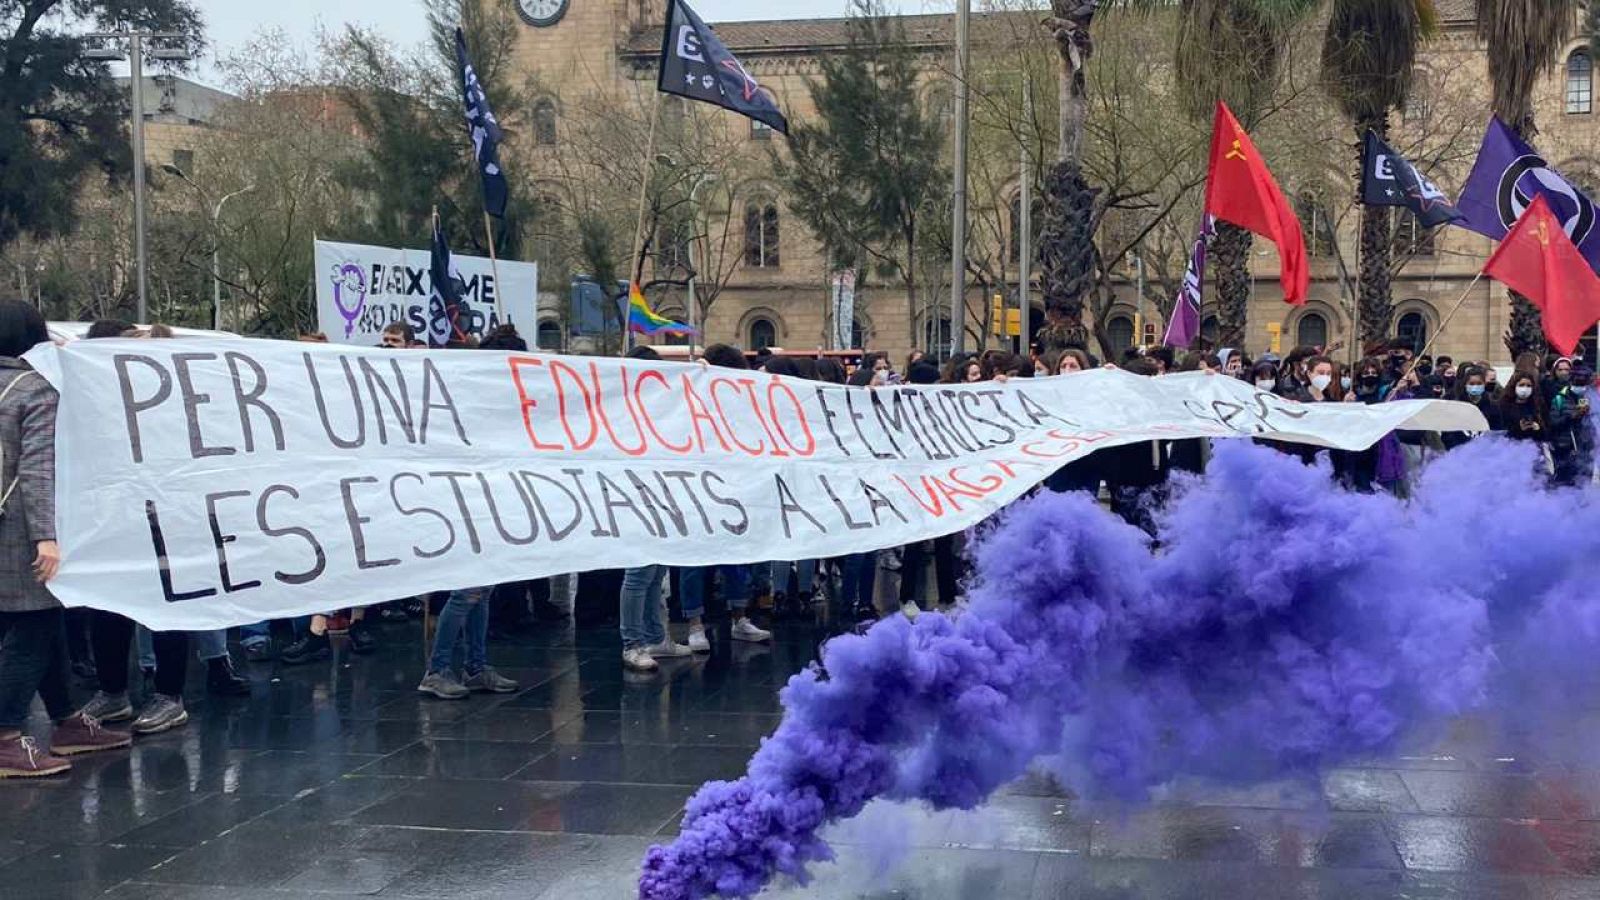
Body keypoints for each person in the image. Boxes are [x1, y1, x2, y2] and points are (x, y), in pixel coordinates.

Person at [0, 300, 131, 776]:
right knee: (32, 629)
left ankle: (65, 720)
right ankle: (7, 736)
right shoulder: (35, 389)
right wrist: (47, 538)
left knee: (41, 624)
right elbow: (36, 470)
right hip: (21, 531)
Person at [678, 345, 772, 645]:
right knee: (692, 560)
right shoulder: (688, 396)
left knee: (734, 558)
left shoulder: (736, 403)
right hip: (694, 489)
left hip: (730, 489)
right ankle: (694, 624)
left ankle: (739, 618)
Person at [1546, 362, 1594, 487]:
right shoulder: (1559, 399)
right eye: (1577, 383)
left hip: (1586, 453)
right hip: (1564, 452)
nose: (1580, 386)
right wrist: (1572, 416)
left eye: (1583, 383)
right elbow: (1553, 423)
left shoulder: (1594, 399)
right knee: (1563, 488)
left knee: (1583, 490)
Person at [1443, 365, 1502, 449]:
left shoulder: (1493, 406)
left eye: (1479, 383)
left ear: (1484, 384)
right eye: (1471, 383)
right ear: (1465, 385)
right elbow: (1448, 433)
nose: (1475, 386)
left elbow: (1497, 432)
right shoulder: (1457, 405)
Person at [1499, 371, 1546, 444]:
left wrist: (1537, 429)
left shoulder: (1538, 405)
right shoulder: (1505, 406)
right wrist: (1519, 428)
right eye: (1521, 385)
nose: (1525, 388)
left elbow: (1546, 433)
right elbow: (1503, 430)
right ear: (1514, 386)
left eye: (1528, 386)